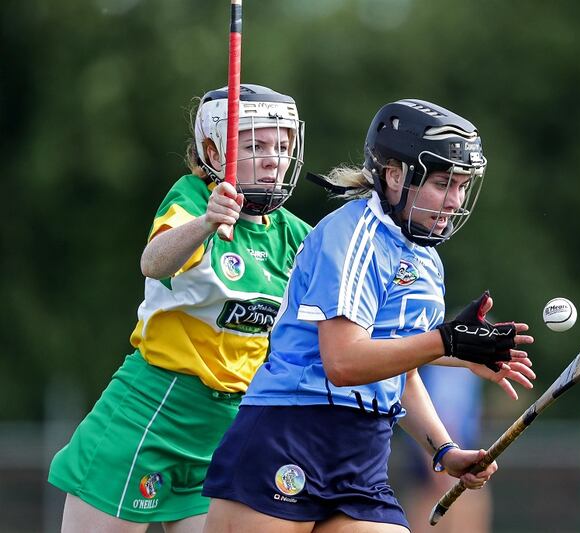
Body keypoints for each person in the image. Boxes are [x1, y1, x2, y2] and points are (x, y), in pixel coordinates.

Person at [201, 98, 536, 532]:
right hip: (293, 432)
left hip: (363, 454)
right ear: (395, 175)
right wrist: (445, 341)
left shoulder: (425, 259)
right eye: (442, 183)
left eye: (462, 186)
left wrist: (445, 451)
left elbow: (403, 370)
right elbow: (343, 363)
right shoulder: (353, 233)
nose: (454, 201)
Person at [48, 84, 311, 532]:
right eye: (255, 145)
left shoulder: (295, 235)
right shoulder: (193, 198)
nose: (274, 159)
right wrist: (207, 223)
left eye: (282, 146)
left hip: (227, 427)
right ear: (213, 149)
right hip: (152, 411)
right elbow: (153, 262)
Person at [404, 365, 492, 533]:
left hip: (451, 455)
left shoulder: (470, 368)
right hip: (443, 457)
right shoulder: (449, 367)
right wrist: (441, 464)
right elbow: (444, 415)